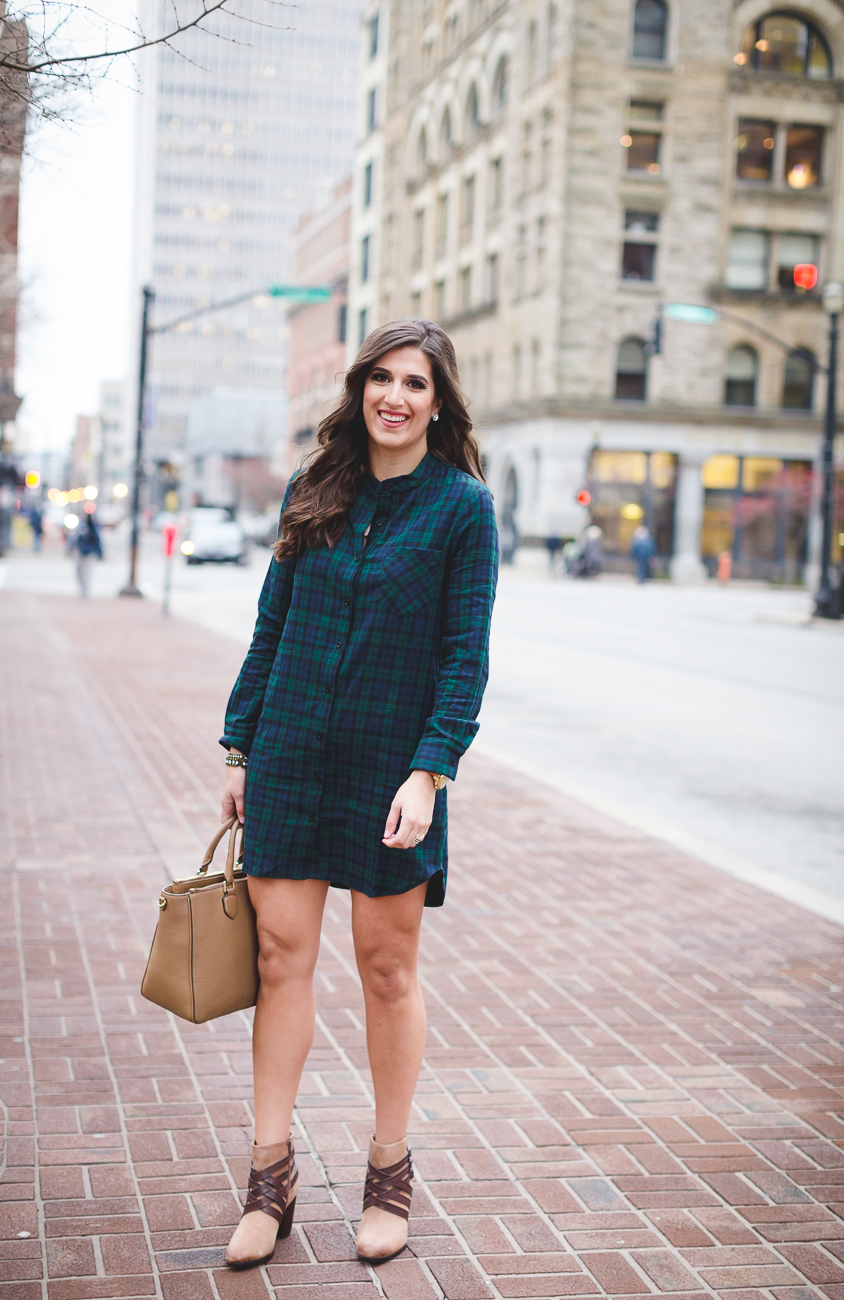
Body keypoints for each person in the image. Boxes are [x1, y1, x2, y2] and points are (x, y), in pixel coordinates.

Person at [220, 319, 498, 1271]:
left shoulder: (462, 509)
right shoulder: (315, 490)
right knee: (277, 956)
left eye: (414, 383)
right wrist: (237, 748)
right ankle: (269, 1178)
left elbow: (465, 657)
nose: (395, 396)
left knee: (386, 970)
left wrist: (432, 769)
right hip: (291, 753)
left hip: (393, 769)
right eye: (381, 378)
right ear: (359, 390)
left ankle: (388, 1172)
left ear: (437, 400)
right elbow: (270, 628)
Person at [72, 513, 102, 596]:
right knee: (79, 571)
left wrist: (99, 552)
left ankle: (85, 589)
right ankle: (82, 587)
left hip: (89, 553)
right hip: (81, 552)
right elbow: (75, 539)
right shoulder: (81, 527)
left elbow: (98, 540)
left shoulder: (94, 528)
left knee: (86, 572)